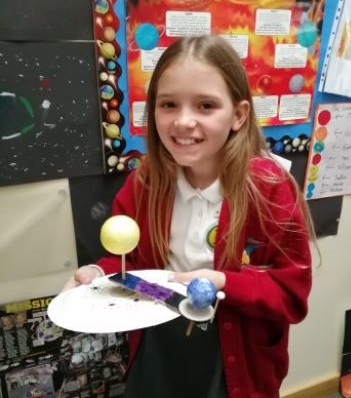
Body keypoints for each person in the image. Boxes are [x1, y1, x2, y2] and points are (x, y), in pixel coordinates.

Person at [63, 35, 314, 398]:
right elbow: (131, 264)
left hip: (235, 355)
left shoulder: (269, 190)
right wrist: (98, 274)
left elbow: (290, 297)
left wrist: (223, 282)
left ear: (238, 115)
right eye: (168, 104)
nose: (183, 121)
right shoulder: (144, 184)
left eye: (206, 105)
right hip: (159, 344)